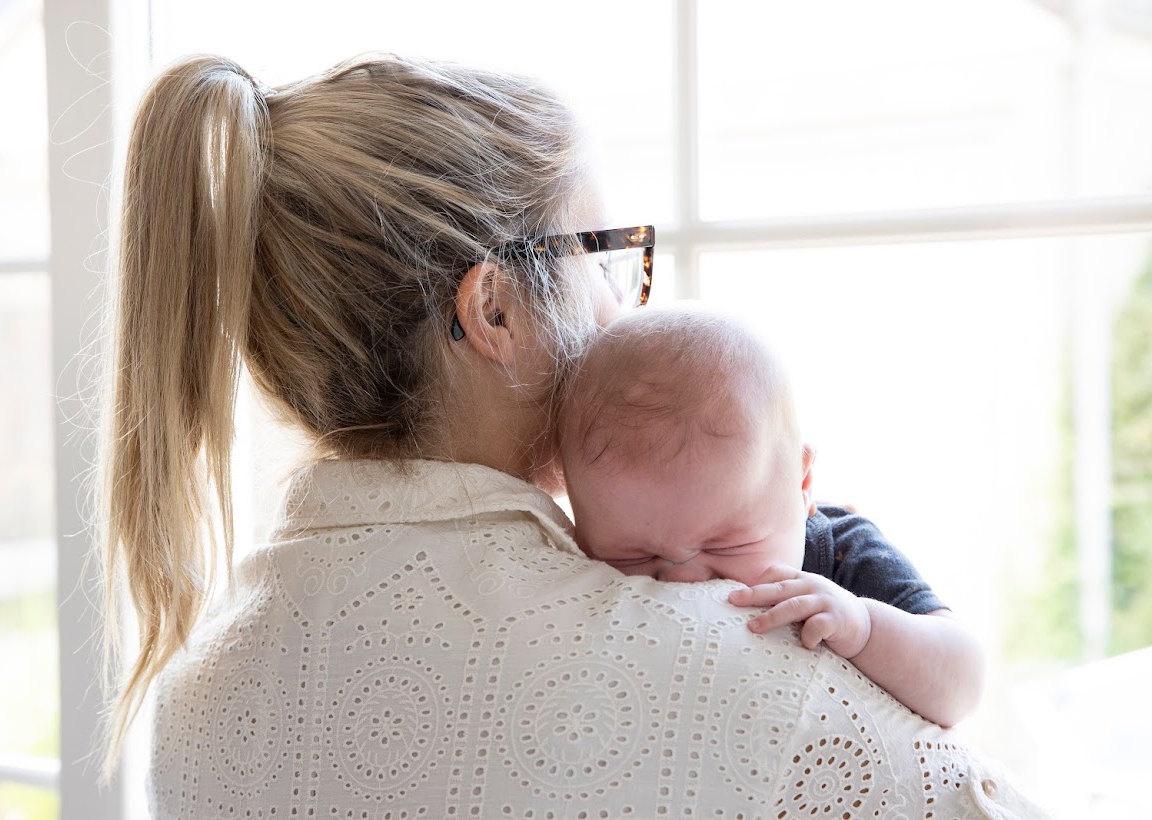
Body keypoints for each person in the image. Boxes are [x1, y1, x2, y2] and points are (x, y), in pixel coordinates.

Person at [98, 52, 1050, 817]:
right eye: (608, 259)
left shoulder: (200, 702)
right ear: (496, 310)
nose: (630, 308)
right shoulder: (763, 674)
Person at [558, 306, 985, 729]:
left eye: (724, 544)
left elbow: (963, 683)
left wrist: (865, 629)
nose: (684, 581)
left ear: (803, 485)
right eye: (634, 555)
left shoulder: (844, 556)